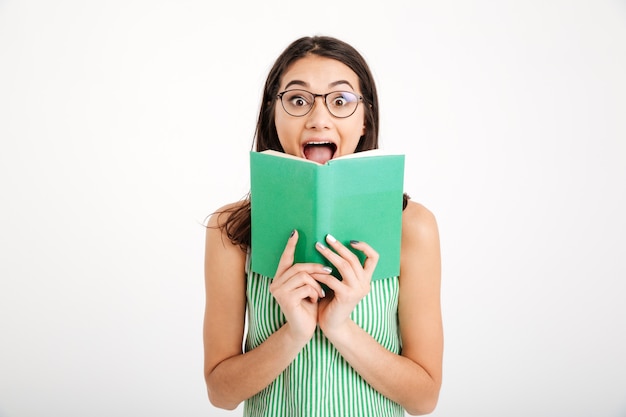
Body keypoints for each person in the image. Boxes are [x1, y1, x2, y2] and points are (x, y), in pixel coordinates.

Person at [203, 35, 443, 416]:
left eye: (341, 100)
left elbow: (424, 399)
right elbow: (221, 393)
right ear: (272, 114)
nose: (319, 118)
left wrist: (339, 327)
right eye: (297, 100)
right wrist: (294, 334)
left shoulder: (413, 228)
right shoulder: (229, 232)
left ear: (365, 119)